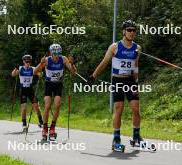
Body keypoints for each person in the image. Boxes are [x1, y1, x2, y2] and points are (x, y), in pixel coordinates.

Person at [88, 20, 143, 150]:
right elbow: (104, 62)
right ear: (124, 32)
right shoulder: (115, 47)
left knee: (136, 108)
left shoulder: (137, 48)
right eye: (129, 30)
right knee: (119, 108)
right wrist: (93, 75)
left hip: (130, 80)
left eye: (134, 30)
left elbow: (135, 66)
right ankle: (116, 138)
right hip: (117, 80)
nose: (132, 32)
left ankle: (136, 135)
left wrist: (136, 82)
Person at [34, 44, 76, 140]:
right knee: (47, 106)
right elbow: (34, 72)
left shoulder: (64, 59)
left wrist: (72, 64)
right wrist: (41, 64)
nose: (57, 55)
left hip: (58, 84)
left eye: (58, 53)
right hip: (48, 84)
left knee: (57, 105)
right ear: (51, 53)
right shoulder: (47, 60)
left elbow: (73, 72)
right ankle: (45, 128)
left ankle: (52, 128)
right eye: (54, 53)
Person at [12, 54, 43, 132]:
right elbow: (13, 74)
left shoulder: (32, 69)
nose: (27, 63)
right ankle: (24, 124)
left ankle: (41, 122)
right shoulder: (20, 68)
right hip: (23, 90)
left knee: (36, 106)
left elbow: (39, 74)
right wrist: (15, 69)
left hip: (30, 90)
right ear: (23, 61)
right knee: (24, 107)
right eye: (26, 61)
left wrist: (40, 72)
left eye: (29, 61)